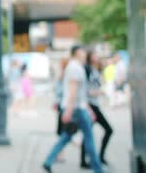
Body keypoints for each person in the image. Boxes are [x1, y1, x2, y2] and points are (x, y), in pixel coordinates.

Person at [43, 45, 103, 173]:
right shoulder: (76, 68)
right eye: (82, 52)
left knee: (66, 136)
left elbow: (78, 93)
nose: (85, 54)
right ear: (77, 53)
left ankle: (48, 160)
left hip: (76, 108)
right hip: (77, 109)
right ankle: (98, 168)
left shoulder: (74, 67)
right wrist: (69, 111)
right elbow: (73, 91)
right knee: (89, 137)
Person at [80, 51, 113, 168]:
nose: (97, 57)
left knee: (89, 133)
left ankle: (92, 159)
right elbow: (85, 89)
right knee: (107, 130)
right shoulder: (87, 70)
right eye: (94, 55)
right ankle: (93, 159)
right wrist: (98, 92)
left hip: (95, 105)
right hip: (91, 105)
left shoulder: (96, 70)